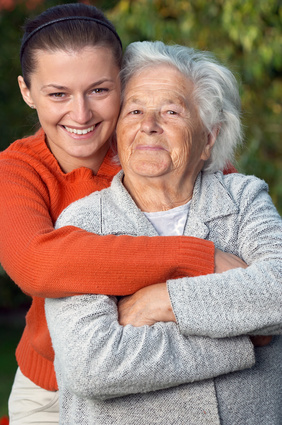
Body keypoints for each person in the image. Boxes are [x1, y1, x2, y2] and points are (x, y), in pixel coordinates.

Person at [0, 3, 241, 424]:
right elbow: (38, 264)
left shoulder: (161, 147)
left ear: (122, 83)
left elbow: (231, 226)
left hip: (169, 363)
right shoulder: (17, 170)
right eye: (58, 94)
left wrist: (160, 297)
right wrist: (193, 257)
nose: (81, 114)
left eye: (99, 90)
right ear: (26, 91)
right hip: (51, 386)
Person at [45, 41, 282, 424]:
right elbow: (94, 365)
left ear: (207, 138)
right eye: (135, 110)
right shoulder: (83, 223)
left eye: (171, 111)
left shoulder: (242, 198)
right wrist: (242, 337)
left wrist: (163, 302)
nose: (148, 125)